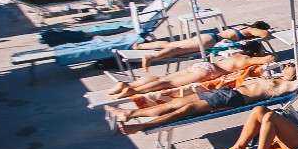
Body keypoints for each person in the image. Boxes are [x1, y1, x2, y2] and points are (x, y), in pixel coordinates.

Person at [116, 61, 298, 133]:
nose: (288, 65)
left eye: (293, 65)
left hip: (233, 98)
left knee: (186, 110)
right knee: (175, 102)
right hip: (226, 92)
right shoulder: (274, 76)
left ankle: (143, 125)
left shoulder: (287, 85)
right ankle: (131, 113)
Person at [107, 42, 275, 98]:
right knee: (167, 83)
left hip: (202, 66)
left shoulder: (236, 53)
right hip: (207, 72)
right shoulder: (246, 59)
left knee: (162, 78)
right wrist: (265, 55)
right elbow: (270, 59)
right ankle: (131, 90)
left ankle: (127, 85)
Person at [132, 21, 273, 72]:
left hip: (209, 39)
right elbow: (263, 34)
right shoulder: (248, 30)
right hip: (210, 40)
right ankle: (151, 56)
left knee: (172, 45)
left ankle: (140, 46)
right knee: (177, 50)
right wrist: (267, 33)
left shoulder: (242, 32)